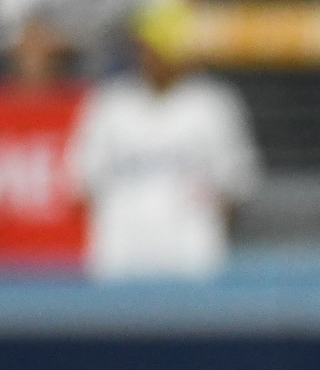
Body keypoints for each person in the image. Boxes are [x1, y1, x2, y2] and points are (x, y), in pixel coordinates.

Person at [66, 0, 260, 280]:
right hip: (122, 259)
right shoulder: (110, 103)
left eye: (160, 48)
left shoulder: (214, 104)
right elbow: (81, 183)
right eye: (146, 47)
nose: (151, 56)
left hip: (191, 263)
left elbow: (236, 187)